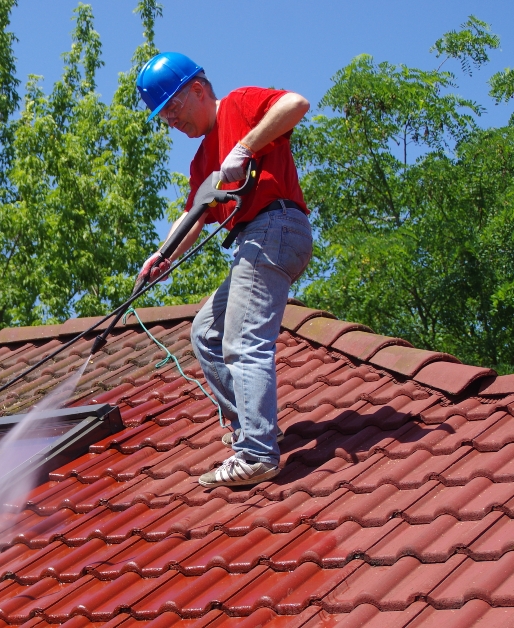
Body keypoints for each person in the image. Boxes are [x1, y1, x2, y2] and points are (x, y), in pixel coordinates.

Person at [134, 52, 313, 488]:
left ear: (198, 89)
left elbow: (297, 103)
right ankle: (251, 431)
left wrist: (246, 147)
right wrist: (163, 255)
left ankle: (257, 453)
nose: (171, 121)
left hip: (276, 225)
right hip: (257, 239)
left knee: (242, 339)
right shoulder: (201, 162)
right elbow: (196, 213)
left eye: (172, 108)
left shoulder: (239, 104)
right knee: (206, 334)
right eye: (163, 116)